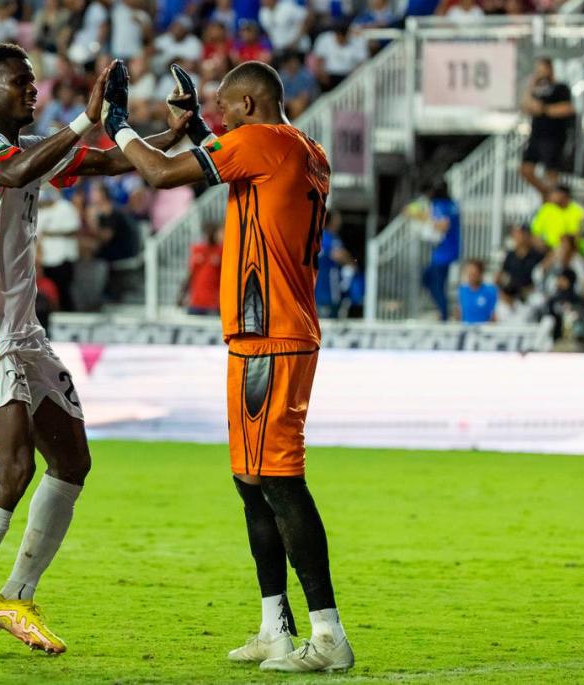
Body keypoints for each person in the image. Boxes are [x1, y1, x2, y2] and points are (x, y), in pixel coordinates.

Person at [0, 43, 188, 658]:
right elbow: (15, 172)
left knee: (72, 462)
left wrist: (173, 135)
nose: (32, 90)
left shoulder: (31, 150)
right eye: (21, 83)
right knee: (15, 467)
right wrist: (82, 121)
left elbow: (104, 165)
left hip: (26, 333)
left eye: (33, 82)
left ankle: (16, 595)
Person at [102, 60, 354, 672]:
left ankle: (328, 636)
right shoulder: (299, 147)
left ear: (247, 106)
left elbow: (160, 175)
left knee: (279, 479)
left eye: (224, 109)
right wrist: (193, 129)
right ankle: (275, 626)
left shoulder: (262, 143)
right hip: (263, 335)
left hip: (274, 334)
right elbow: (222, 158)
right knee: (251, 482)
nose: (221, 120)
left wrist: (118, 126)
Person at [519, 58, 576, 198]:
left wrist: (544, 109)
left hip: (553, 137)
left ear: (550, 69)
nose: (540, 72)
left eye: (542, 68)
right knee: (525, 169)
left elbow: (568, 108)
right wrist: (531, 85)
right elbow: (525, 106)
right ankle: (547, 195)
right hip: (536, 137)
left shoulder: (561, 88)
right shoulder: (537, 91)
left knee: (551, 171)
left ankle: (555, 196)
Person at [415, 182, 461, 321]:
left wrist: (422, 217)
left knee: (436, 284)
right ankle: (442, 311)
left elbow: (442, 225)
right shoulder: (452, 204)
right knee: (428, 278)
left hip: (443, 253)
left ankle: (444, 314)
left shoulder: (440, 205)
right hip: (448, 250)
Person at [37, 186, 81, 311]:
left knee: (64, 289)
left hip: (63, 257)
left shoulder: (65, 207)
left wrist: (51, 233)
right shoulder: (41, 211)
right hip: (46, 258)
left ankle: (68, 314)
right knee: (50, 289)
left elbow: (73, 228)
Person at [543, 268, 584, 352]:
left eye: (561, 279)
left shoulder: (583, 302)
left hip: (577, 343)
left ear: (568, 281)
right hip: (560, 342)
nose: (558, 282)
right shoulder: (553, 300)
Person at [181, 221, 222, 315]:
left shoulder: (221, 250)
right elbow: (190, 273)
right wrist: (182, 295)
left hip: (214, 302)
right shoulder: (197, 249)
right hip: (197, 301)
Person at [531, 185, 584, 252]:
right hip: (549, 250)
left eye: (555, 193)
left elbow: (580, 234)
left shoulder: (578, 211)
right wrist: (541, 244)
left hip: (573, 250)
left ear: (564, 195)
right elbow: (535, 232)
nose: (552, 196)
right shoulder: (546, 209)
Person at [498, 223, 544, 297]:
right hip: (512, 294)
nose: (518, 237)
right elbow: (503, 273)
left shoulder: (536, 255)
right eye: (515, 235)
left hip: (530, 293)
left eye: (521, 234)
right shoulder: (510, 255)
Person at [456, 259, 497, 324]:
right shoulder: (462, 290)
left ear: (481, 274)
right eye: (469, 274)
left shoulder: (490, 290)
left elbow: (494, 315)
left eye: (474, 274)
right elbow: (459, 313)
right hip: (465, 330)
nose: (470, 277)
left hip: (484, 331)